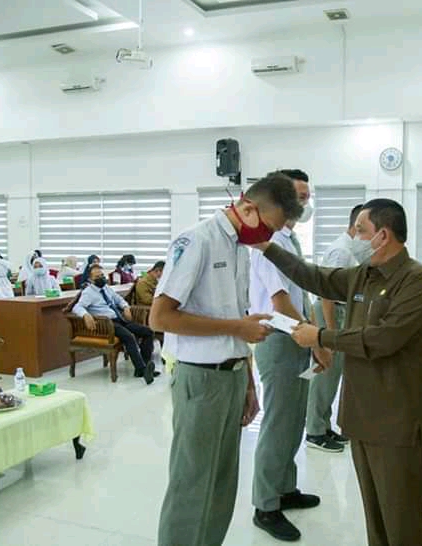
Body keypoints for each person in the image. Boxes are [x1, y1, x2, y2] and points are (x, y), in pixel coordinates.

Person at [252, 198, 422, 546]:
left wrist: (321, 336)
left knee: (402, 515)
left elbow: (383, 339)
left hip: (397, 417)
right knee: (376, 511)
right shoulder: (363, 276)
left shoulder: (417, 282)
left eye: (360, 230)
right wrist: (265, 245)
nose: (353, 236)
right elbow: (314, 277)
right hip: (362, 413)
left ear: (382, 236)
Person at [150, 172, 302, 546]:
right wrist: (236, 328)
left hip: (232, 375)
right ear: (248, 208)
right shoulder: (197, 240)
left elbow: (240, 318)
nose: (267, 239)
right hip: (200, 380)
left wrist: (247, 381)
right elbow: (161, 317)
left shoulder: (239, 248)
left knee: (221, 483)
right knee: (192, 483)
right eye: (268, 228)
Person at [250, 168, 329, 542]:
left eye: (307, 195)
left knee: (294, 420)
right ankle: (265, 505)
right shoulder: (268, 244)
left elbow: (302, 295)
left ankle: (285, 489)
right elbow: (280, 301)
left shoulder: (291, 242)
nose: (304, 203)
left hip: (297, 337)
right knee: (279, 423)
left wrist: (313, 334)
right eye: (298, 196)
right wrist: (316, 340)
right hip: (281, 340)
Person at [304, 203, 363, 453]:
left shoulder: (349, 248)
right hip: (331, 314)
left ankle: (323, 425)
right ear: (357, 226)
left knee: (333, 375)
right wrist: (329, 333)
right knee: (325, 374)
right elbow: (326, 294)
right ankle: (314, 431)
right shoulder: (340, 251)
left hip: (339, 313)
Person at [72, 263, 158, 384]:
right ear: (90, 279)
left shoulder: (106, 288)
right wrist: (85, 315)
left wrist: (126, 307)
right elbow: (77, 307)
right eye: (97, 277)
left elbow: (119, 299)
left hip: (120, 320)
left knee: (148, 332)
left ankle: (145, 364)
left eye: (102, 275)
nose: (101, 278)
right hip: (107, 325)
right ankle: (141, 369)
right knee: (129, 337)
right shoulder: (88, 293)